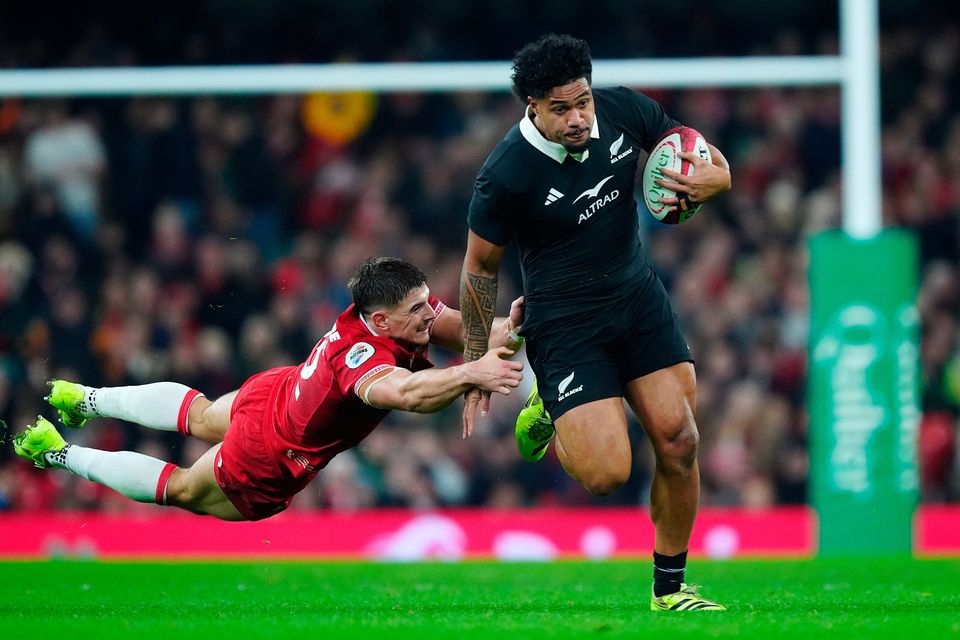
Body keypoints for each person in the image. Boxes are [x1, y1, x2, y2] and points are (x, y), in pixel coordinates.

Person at [459, 34, 731, 611]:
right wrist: (476, 360)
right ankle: (550, 408)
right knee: (608, 475)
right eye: (561, 109)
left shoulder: (623, 109)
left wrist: (719, 177)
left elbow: (691, 147)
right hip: (565, 325)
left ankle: (670, 590)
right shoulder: (505, 173)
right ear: (531, 105)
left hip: (637, 301)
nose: (579, 117)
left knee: (680, 442)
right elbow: (480, 266)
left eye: (582, 101)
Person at [12, 257, 524, 521]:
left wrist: (516, 326)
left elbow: (465, 329)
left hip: (278, 391)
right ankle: (59, 455)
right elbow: (409, 395)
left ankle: (86, 399)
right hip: (271, 452)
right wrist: (469, 374)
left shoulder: (393, 313)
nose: (427, 315)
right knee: (187, 490)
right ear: (381, 321)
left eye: (423, 303)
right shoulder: (360, 357)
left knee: (201, 414)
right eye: (417, 311)